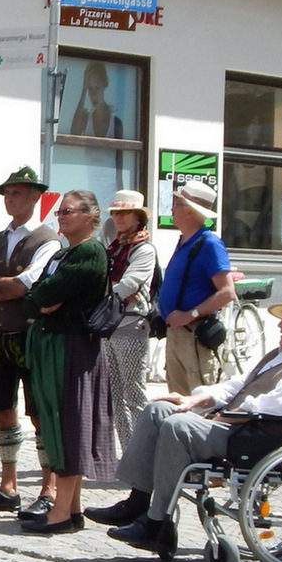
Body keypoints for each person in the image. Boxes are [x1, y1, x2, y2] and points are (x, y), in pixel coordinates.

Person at [89, 287, 282, 558]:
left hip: (259, 436)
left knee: (178, 427)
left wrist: (228, 415)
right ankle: (136, 503)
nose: (280, 323)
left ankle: (157, 523)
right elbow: (237, 385)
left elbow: (279, 403)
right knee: (158, 409)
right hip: (239, 426)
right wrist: (196, 399)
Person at [20, 190, 117, 533]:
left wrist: (41, 300)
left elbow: (45, 294)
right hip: (53, 344)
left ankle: (60, 512)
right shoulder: (63, 253)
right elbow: (34, 297)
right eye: (59, 212)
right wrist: (39, 300)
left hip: (72, 347)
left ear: (91, 216)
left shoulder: (90, 252)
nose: (61, 217)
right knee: (55, 421)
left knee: (68, 423)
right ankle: (70, 509)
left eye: (69, 212)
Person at [0, 166, 61, 517]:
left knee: (39, 412)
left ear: (36, 197)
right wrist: (6, 284)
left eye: (18, 193)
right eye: (7, 193)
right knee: (3, 411)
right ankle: (8, 485)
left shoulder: (47, 239)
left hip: (31, 335)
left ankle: (48, 487)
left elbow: (28, 285)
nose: (10, 198)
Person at [157, 180, 236, 394]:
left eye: (177, 203)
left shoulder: (209, 243)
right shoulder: (184, 241)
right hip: (177, 333)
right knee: (177, 399)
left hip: (194, 334)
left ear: (190, 211)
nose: (172, 208)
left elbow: (227, 292)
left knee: (199, 398)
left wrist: (189, 314)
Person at [103, 190, 159, 446]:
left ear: (138, 217)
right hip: (110, 323)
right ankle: (127, 451)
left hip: (131, 323)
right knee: (115, 394)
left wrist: (100, 296)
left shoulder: (144, 249)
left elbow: (130, 283)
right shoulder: (114, 247)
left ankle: (143, 451)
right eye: (115, 213)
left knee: (134, 393)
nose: (119, 217)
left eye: (124, 212)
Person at [69, 61, 124, 138]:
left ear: (104, 85)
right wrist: (84, 89)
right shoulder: (86, 119)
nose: (93, 95)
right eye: (90, 89)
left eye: (97, 88)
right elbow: (73, 133)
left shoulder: (116, 123)